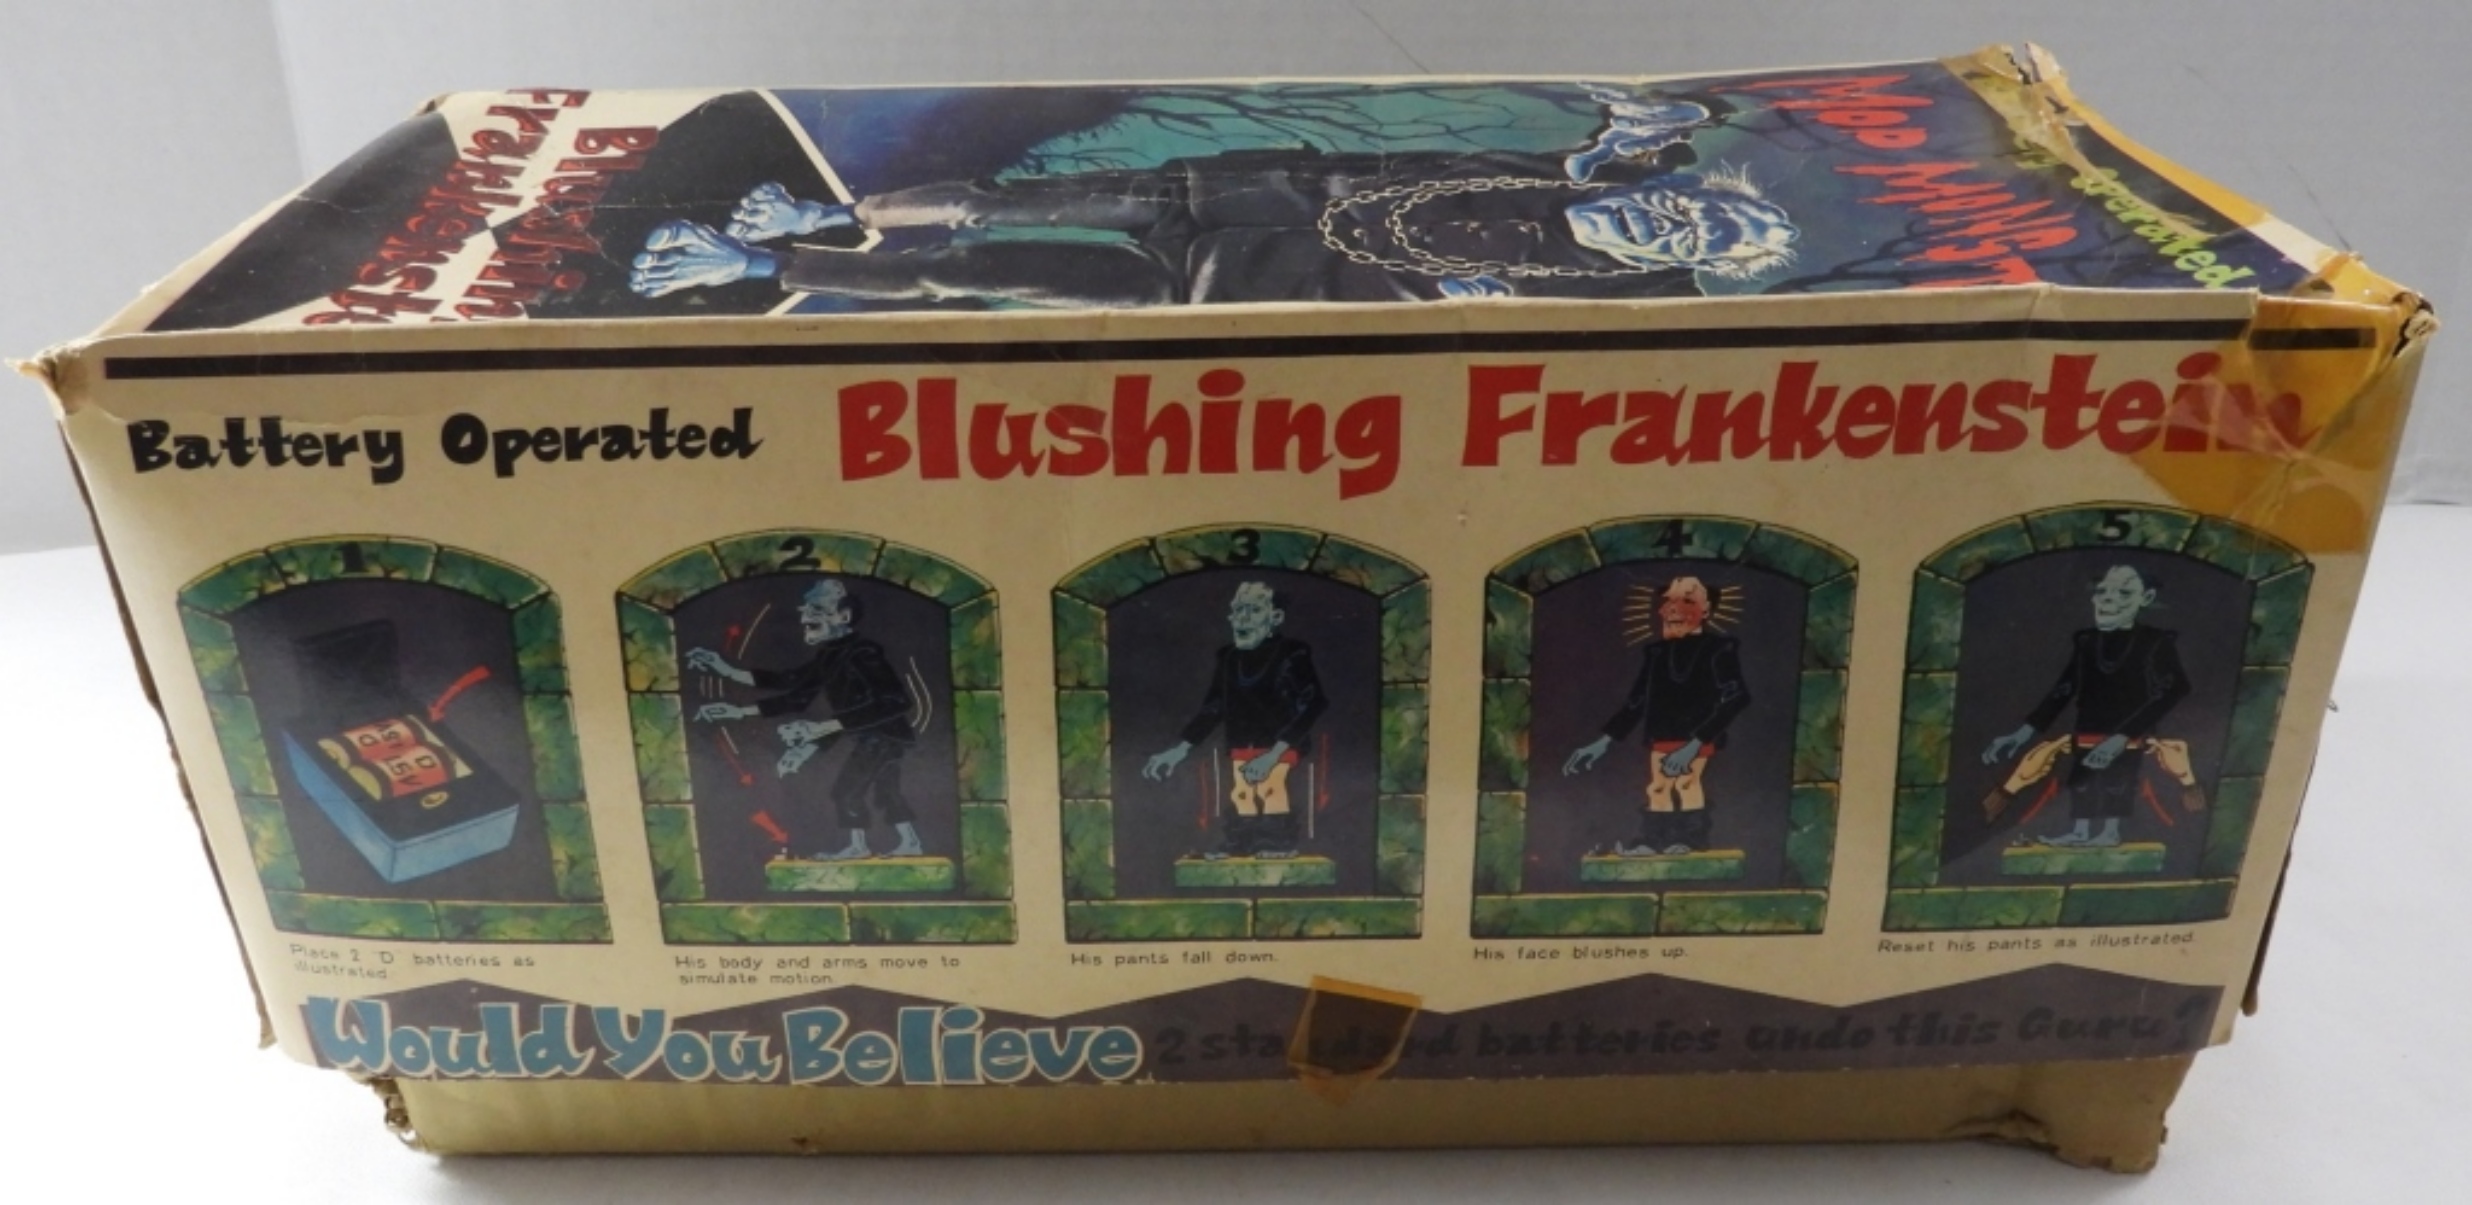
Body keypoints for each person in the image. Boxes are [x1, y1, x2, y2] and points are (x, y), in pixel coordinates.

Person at [624, 136, 1796, 309]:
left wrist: (1453, 300)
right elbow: (1633, 137)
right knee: (993, 203)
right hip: (1221, 202)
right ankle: (831, 211)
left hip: (1208, 289)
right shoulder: (1548, 169)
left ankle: (761, 260)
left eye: (1697, 236)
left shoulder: (1555, 296)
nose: (1673, 218)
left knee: (980, 269)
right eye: (1694, 205)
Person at [690, 579, 922, 862]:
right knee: (886, 790)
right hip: (878, 736)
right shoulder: (830, 655)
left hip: (883, 735)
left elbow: (896, 701)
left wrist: (822, 729)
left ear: (843, 616)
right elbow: (794, 690)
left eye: (816, 610)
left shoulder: (863, 652)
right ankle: (910, 842)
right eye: (805, 610)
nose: (804, 618)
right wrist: (731, 685)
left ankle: (860, 846)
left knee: (847, 790)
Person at [1981, 565, 2192, 849]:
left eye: (2123, 592)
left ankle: (2110, 832)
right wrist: (2021, 734)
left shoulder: (2154, 641)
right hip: (2087, 728)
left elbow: (2176, 688)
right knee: (2081, 781)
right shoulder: (2087, 641)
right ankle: (2080, 832)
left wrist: (2122, 737)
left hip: (2128, 734)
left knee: (2118, 782)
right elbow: (2064, 690)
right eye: (2102, 591)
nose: (2108, 598)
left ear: (2146, 598)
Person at [1563, 577, 1751, 856]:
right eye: (1669, 600)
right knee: (1658, 787)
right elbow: (1636, 702)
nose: (1673, 608)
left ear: (1706, 610)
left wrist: (1694, 745)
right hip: (1662, 733)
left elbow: (1737, 697)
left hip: (1699, 734)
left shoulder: (1718, 649)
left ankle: (1690, 840)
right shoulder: (1657, 653)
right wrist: (1603, 742)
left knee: (1686, 783)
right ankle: (1653, 842)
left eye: (1687, 600)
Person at [1143, 582, 1328, 860]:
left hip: (1282, 741)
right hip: (1242, 741)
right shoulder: (1229, 658)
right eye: (1238, 610)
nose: (1242, 618)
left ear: (1275, 617)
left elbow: (1314, 702)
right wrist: (1179, 750)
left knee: (1269, 786)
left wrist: (1273, 755)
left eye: (1253, 610)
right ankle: (1241, 842)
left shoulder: (1292, 653)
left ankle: (1277, 843)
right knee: (1242, 792)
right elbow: (1213, 708)